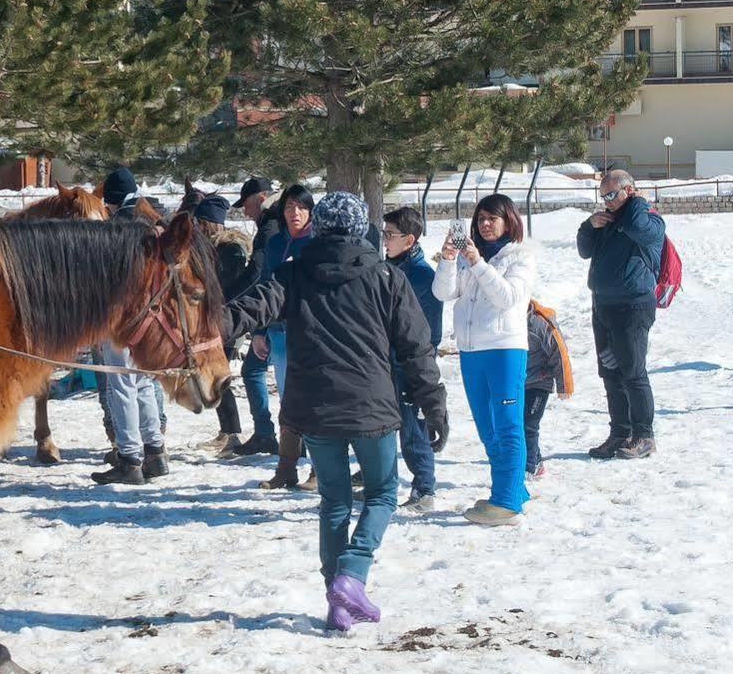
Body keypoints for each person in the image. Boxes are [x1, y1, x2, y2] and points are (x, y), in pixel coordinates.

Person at [225, 192, 449, 631]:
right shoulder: (386, 276)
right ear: (360, 228)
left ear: (322, 228)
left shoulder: (293, 274)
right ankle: (351, 575)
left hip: (316, 410)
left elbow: (252, 308)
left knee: (334, 502)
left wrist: (205, 324)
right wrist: (433, 406)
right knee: (383, 493)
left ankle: (338, 600)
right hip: (372, 409)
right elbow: (416, 349)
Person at [433, 193, 537, 525]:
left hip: (505, 348)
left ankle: (506, 503)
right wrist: (450, 259)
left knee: (508, 426)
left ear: (509, 221)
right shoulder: (467, 257)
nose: (486, 224)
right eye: (480, 219)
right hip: (471, 349)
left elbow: (506, 297)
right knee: (487, 427)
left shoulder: (520, 257)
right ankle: (510, 489)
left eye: (493, 218)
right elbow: (444, 293)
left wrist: (478, 263)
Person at [575, 168, 666, 460]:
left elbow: (639, 228)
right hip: (603, 306)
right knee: (610, 372)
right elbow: (584, 250)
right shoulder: (609, 223)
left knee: (633, 372)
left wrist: (637, 202)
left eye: (612, 194)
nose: (607, 201)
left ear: (629, 191)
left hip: (633, 307)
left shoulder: (649, 219)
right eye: (603, 196)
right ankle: (620, 432)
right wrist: (590, 225)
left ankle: (644, 435)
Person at [91, 166, 169, 485]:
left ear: (111, 201)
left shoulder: (116, 229)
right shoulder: (152, 222)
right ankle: (155, 451)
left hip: (123, 318)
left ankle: (129, 457)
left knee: (120, 384)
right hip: (149, 319)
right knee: (144, 382)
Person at [382, 207, 444, 511]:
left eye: (390, 235)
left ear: (409, 240)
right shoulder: (386, 268)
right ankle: (380, 481)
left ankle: (424, 488)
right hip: (383, 363)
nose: (384, 239)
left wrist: (418, 368)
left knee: (414, 430)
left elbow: (430, 332)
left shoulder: (421, 275)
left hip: (410, 366)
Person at [254, 185, 315, 489]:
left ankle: (318, 470)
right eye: (290, 207)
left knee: (314, 400)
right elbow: (263, 287)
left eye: (301, 207)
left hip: (312, 334)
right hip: (279, 332)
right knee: (288, 401)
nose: (295, 213)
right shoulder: (276, 244)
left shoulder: (318, 243)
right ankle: (286, 468)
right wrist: (259, 330)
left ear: (311, 211)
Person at [194, 195, 256, 453]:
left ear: (210, 222)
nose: (196, 225)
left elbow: (226, 288)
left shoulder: (230, 251)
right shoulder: (214, 248)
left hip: (228, 322)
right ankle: (227, 430)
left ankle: (232, 433)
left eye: (200, 221)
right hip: (218, 320)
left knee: (219, 377)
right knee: (215, 377)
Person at [225, 177, 281, 457]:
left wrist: (227, 300)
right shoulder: (272, 222)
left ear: (260, 198)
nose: (245, 212)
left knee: (261, 373)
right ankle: (267, 434)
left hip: (274, 312)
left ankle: (268, 434)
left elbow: (257, 273)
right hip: (271, 312)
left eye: (246, 205)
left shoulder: (271, 226)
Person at [523, 301, 573, 478]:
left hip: (538, 382)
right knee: (518, 425)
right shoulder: (505, 320)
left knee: (529, 424)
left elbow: (559, 352)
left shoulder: (538, 324)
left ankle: (530, 467)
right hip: (516, 383)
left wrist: (564, 385)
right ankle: (535, 460)